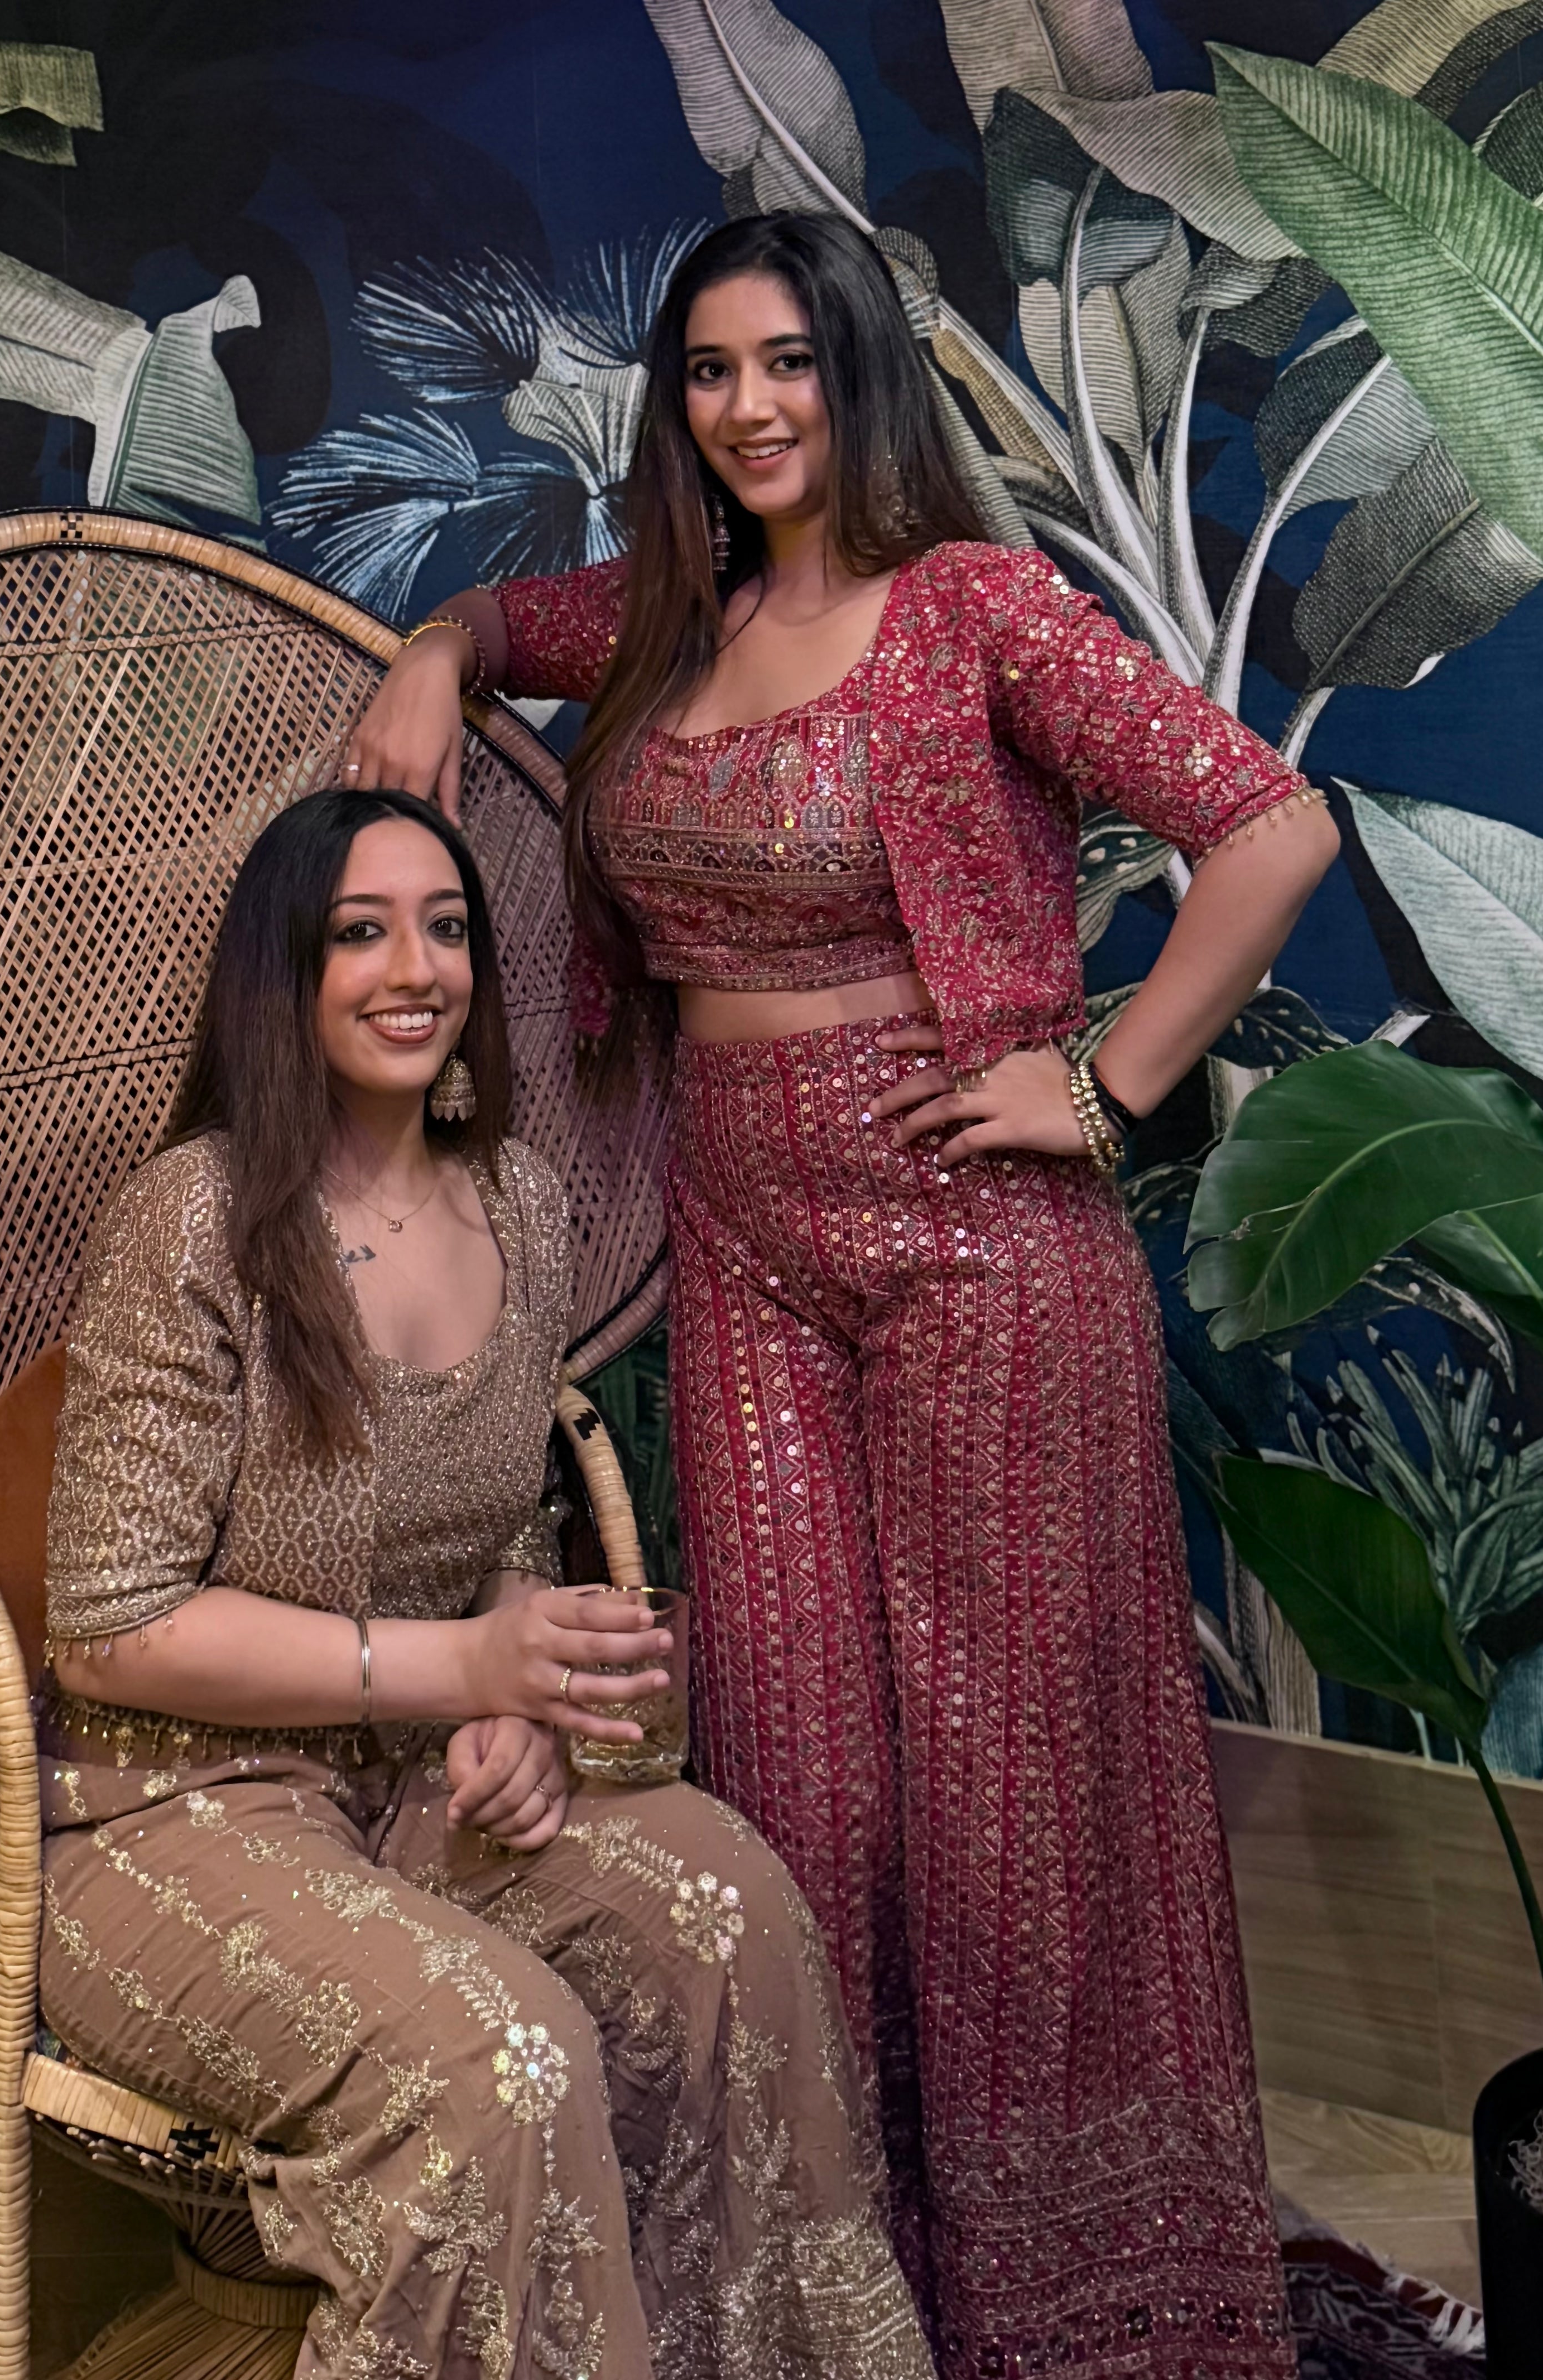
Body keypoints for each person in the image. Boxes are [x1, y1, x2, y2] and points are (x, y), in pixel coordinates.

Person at [341, 215, 1338, 2377]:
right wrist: (431, 646)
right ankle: (839, 2287)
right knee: (803, 1771)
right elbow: (508, 619)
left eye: (787, 360)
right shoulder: (659, 617)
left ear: (855, 370)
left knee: (1002, 1784)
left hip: (976, 1240)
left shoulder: (971, 605)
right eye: (708, 371)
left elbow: (1268, 827)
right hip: (746, 1248)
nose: (748, 407)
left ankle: (1070, 2308)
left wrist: (1102, 1085)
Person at [38, 786, 932, 2380]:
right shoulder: (193, 1220)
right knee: (500, 2062)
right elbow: (114, 1629)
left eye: (445, 928)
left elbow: (509, 1532)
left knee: (738, 1921)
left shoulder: (514, 1196)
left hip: (421, 1784)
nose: (416, 968)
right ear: (284, 973)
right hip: (167, 1811)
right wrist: (465, 1669)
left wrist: (516, 1703)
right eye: (361, 932)